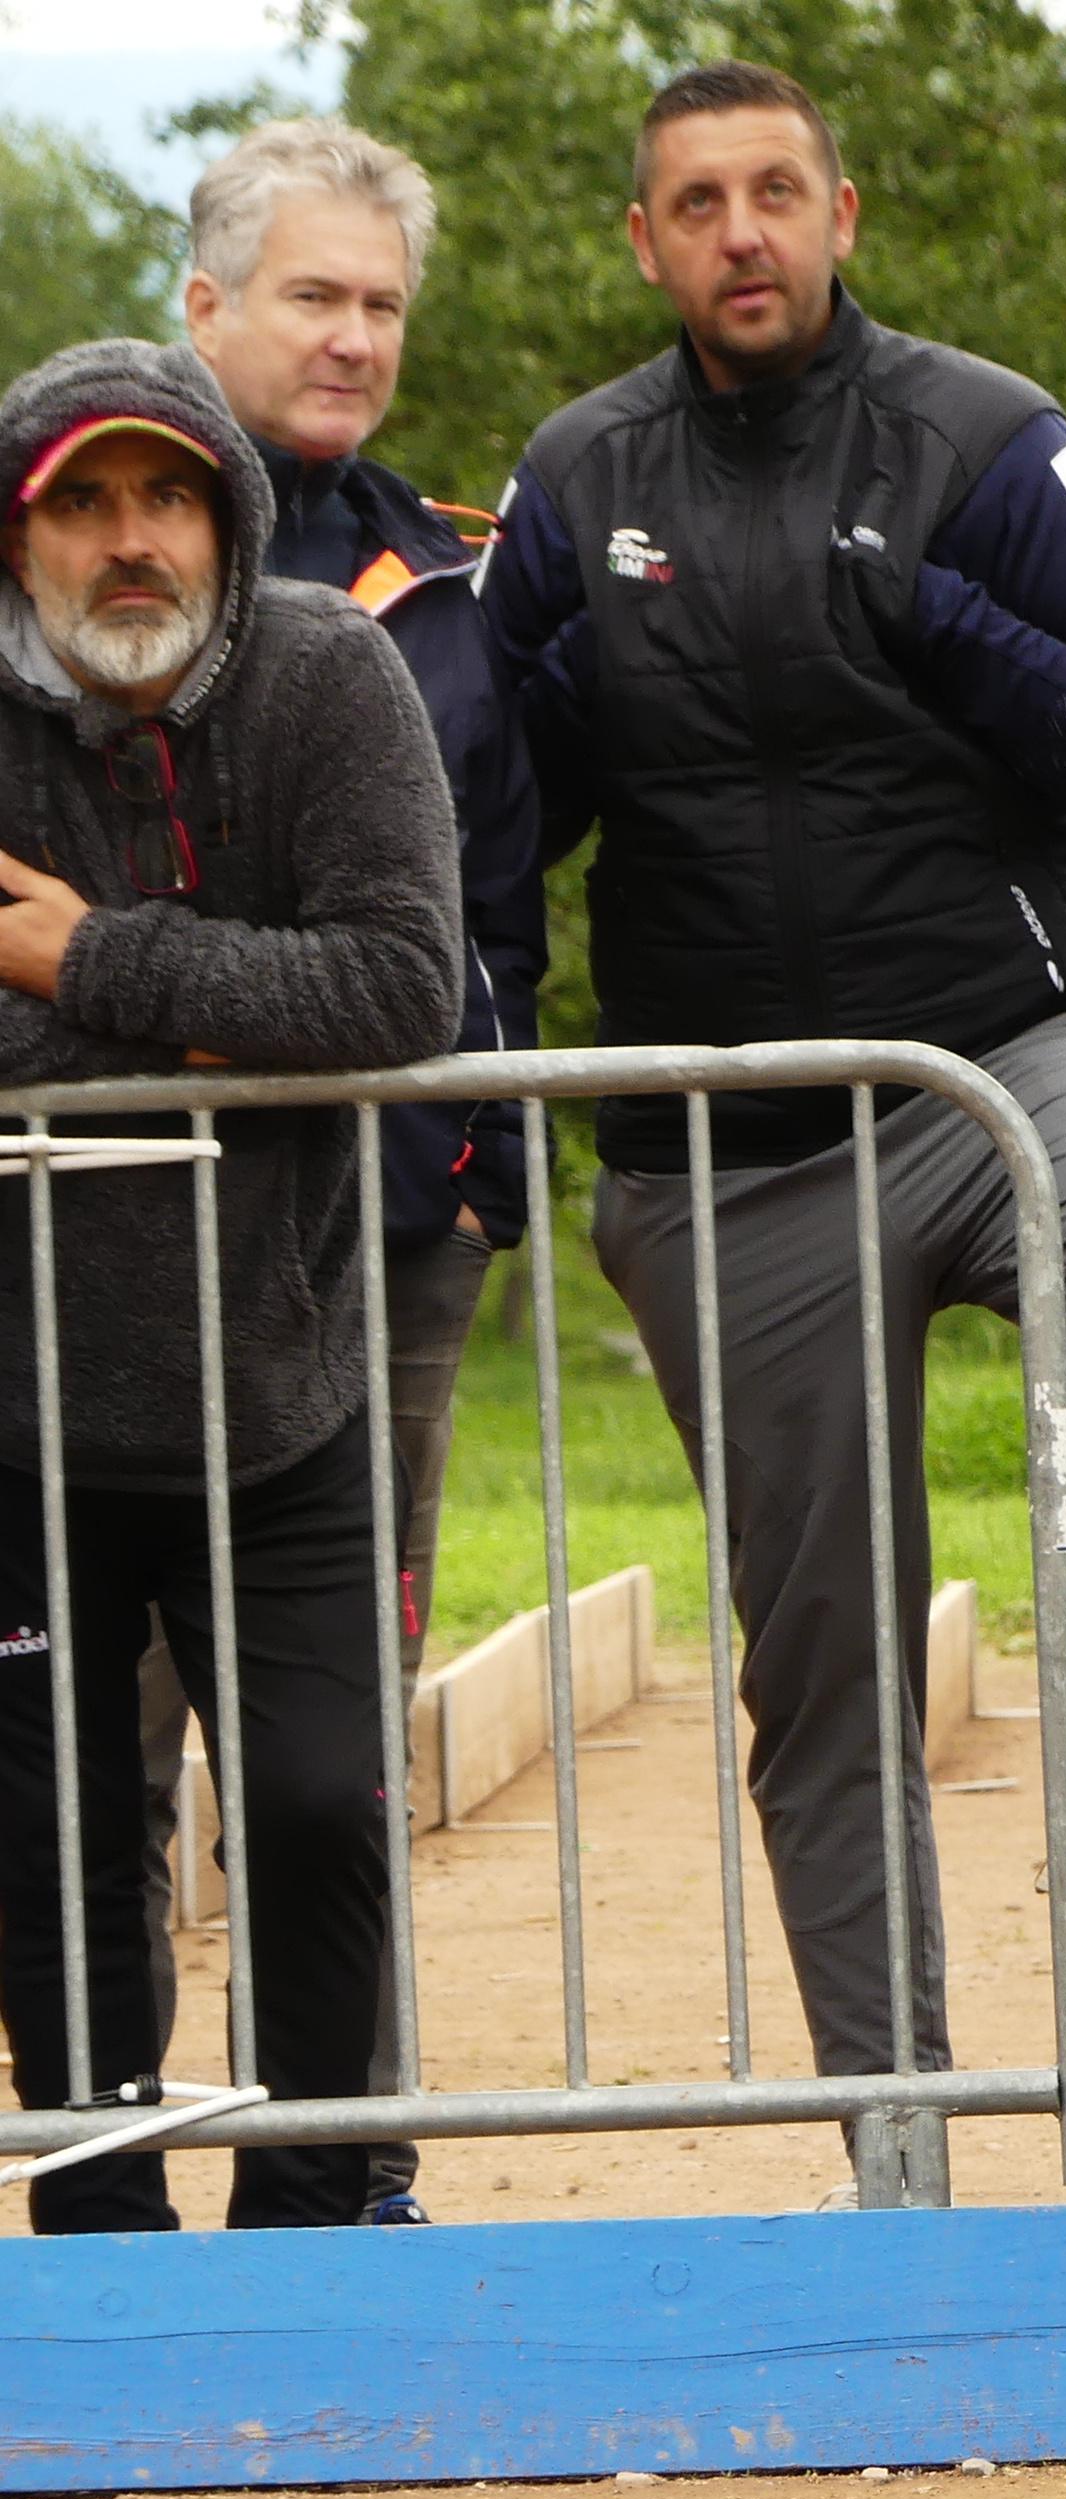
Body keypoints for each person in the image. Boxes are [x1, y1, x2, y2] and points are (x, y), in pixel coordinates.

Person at [485, 64, 1066, 2175]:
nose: (741, 231)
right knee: (822, 1677)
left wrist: (930, 616)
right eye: (696, 203)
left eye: (776, 194)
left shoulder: (986, 440)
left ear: (846, 210)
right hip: (733, 1129)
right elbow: (491, 836)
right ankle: (899, 2161)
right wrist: (527, 721)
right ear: (643, 244)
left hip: (1011, 1041)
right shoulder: (573, 478)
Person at [0, 338, 463, 2230]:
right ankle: (103, 2240)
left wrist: (85, 961)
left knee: (313, 1809)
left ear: (224, 513)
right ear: (20, 538)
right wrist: (228, 1011)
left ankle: (317, 2214)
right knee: (50, 1842)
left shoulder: (330, 675)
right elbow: (305, 999)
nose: (131, 545)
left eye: (166, 497)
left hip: (283, 1383)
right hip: (14, 1405)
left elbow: (396, 992)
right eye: (84, 505)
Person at [140, 115, 547, 2222]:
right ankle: (103, 2172)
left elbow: (501, 904)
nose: (352, 336)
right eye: (311, 293)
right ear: (200, 304)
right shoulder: (85, 547)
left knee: (333, 1735)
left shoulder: (457, 568)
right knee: (108, 1737)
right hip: (101, 1232)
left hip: (377, 1240)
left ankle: (344, 2168)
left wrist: (483, 1171)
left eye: (381, 302)